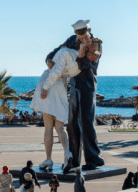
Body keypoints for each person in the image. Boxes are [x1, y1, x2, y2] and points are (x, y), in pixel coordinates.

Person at [45, 19, 104, 171]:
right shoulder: (72, 40)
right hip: (74, 85)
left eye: (83, 33)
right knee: (71, 124)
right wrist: (49, 58)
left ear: (88, 30)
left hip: (88, 85)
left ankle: (93, 158)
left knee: (86, 122)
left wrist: (81, 51)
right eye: (78, 34)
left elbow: (85, 64)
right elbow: (59, 49)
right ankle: (74, 159)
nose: (81, 37)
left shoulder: (96, 45)